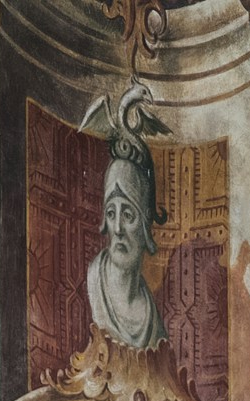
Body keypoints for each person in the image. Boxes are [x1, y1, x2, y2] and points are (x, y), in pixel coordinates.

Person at [86, 94, 168, 352]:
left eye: (128, 215)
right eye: (111, 213)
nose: (118, 229)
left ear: (145, 227)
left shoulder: (151, 317)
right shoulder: (95, 280)